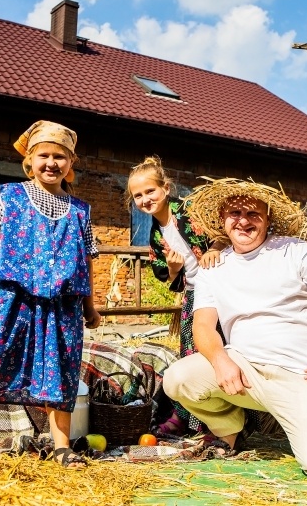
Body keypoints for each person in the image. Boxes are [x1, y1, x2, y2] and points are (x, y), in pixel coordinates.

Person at [163, 178, 307, 480]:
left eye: (253, 215)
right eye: (234, 214)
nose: (243, 221)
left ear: (268, 219)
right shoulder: (212, 269)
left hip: (301, 375)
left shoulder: (295, 252)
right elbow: (203, 326)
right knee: (177, 378)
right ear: (223, 220)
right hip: (245, 372)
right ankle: (231, 430)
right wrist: (221, 361)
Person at [0, 120, 101, 468]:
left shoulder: (81, 211)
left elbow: (87, 261)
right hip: (10, 297)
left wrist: (91, 305)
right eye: (43, 155)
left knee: (60, 372)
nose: (51, 163)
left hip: (63, 304)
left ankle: (61, 447)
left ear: (70, 163)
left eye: (60, 156)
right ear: (29, 160)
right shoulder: (9, 196)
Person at [126, 156, 225, 436]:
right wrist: (173, 268)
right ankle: (186, 417)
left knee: (214, 355)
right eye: (138, 196)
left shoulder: (190, 211)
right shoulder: (156, 234)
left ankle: (215, 423)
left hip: (219, 294)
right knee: (188, 357)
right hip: (193, 296)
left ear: (166, 188)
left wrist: (215, 247)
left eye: (150, 191)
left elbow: (224, 228)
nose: (145, 199)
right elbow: (164, 274)